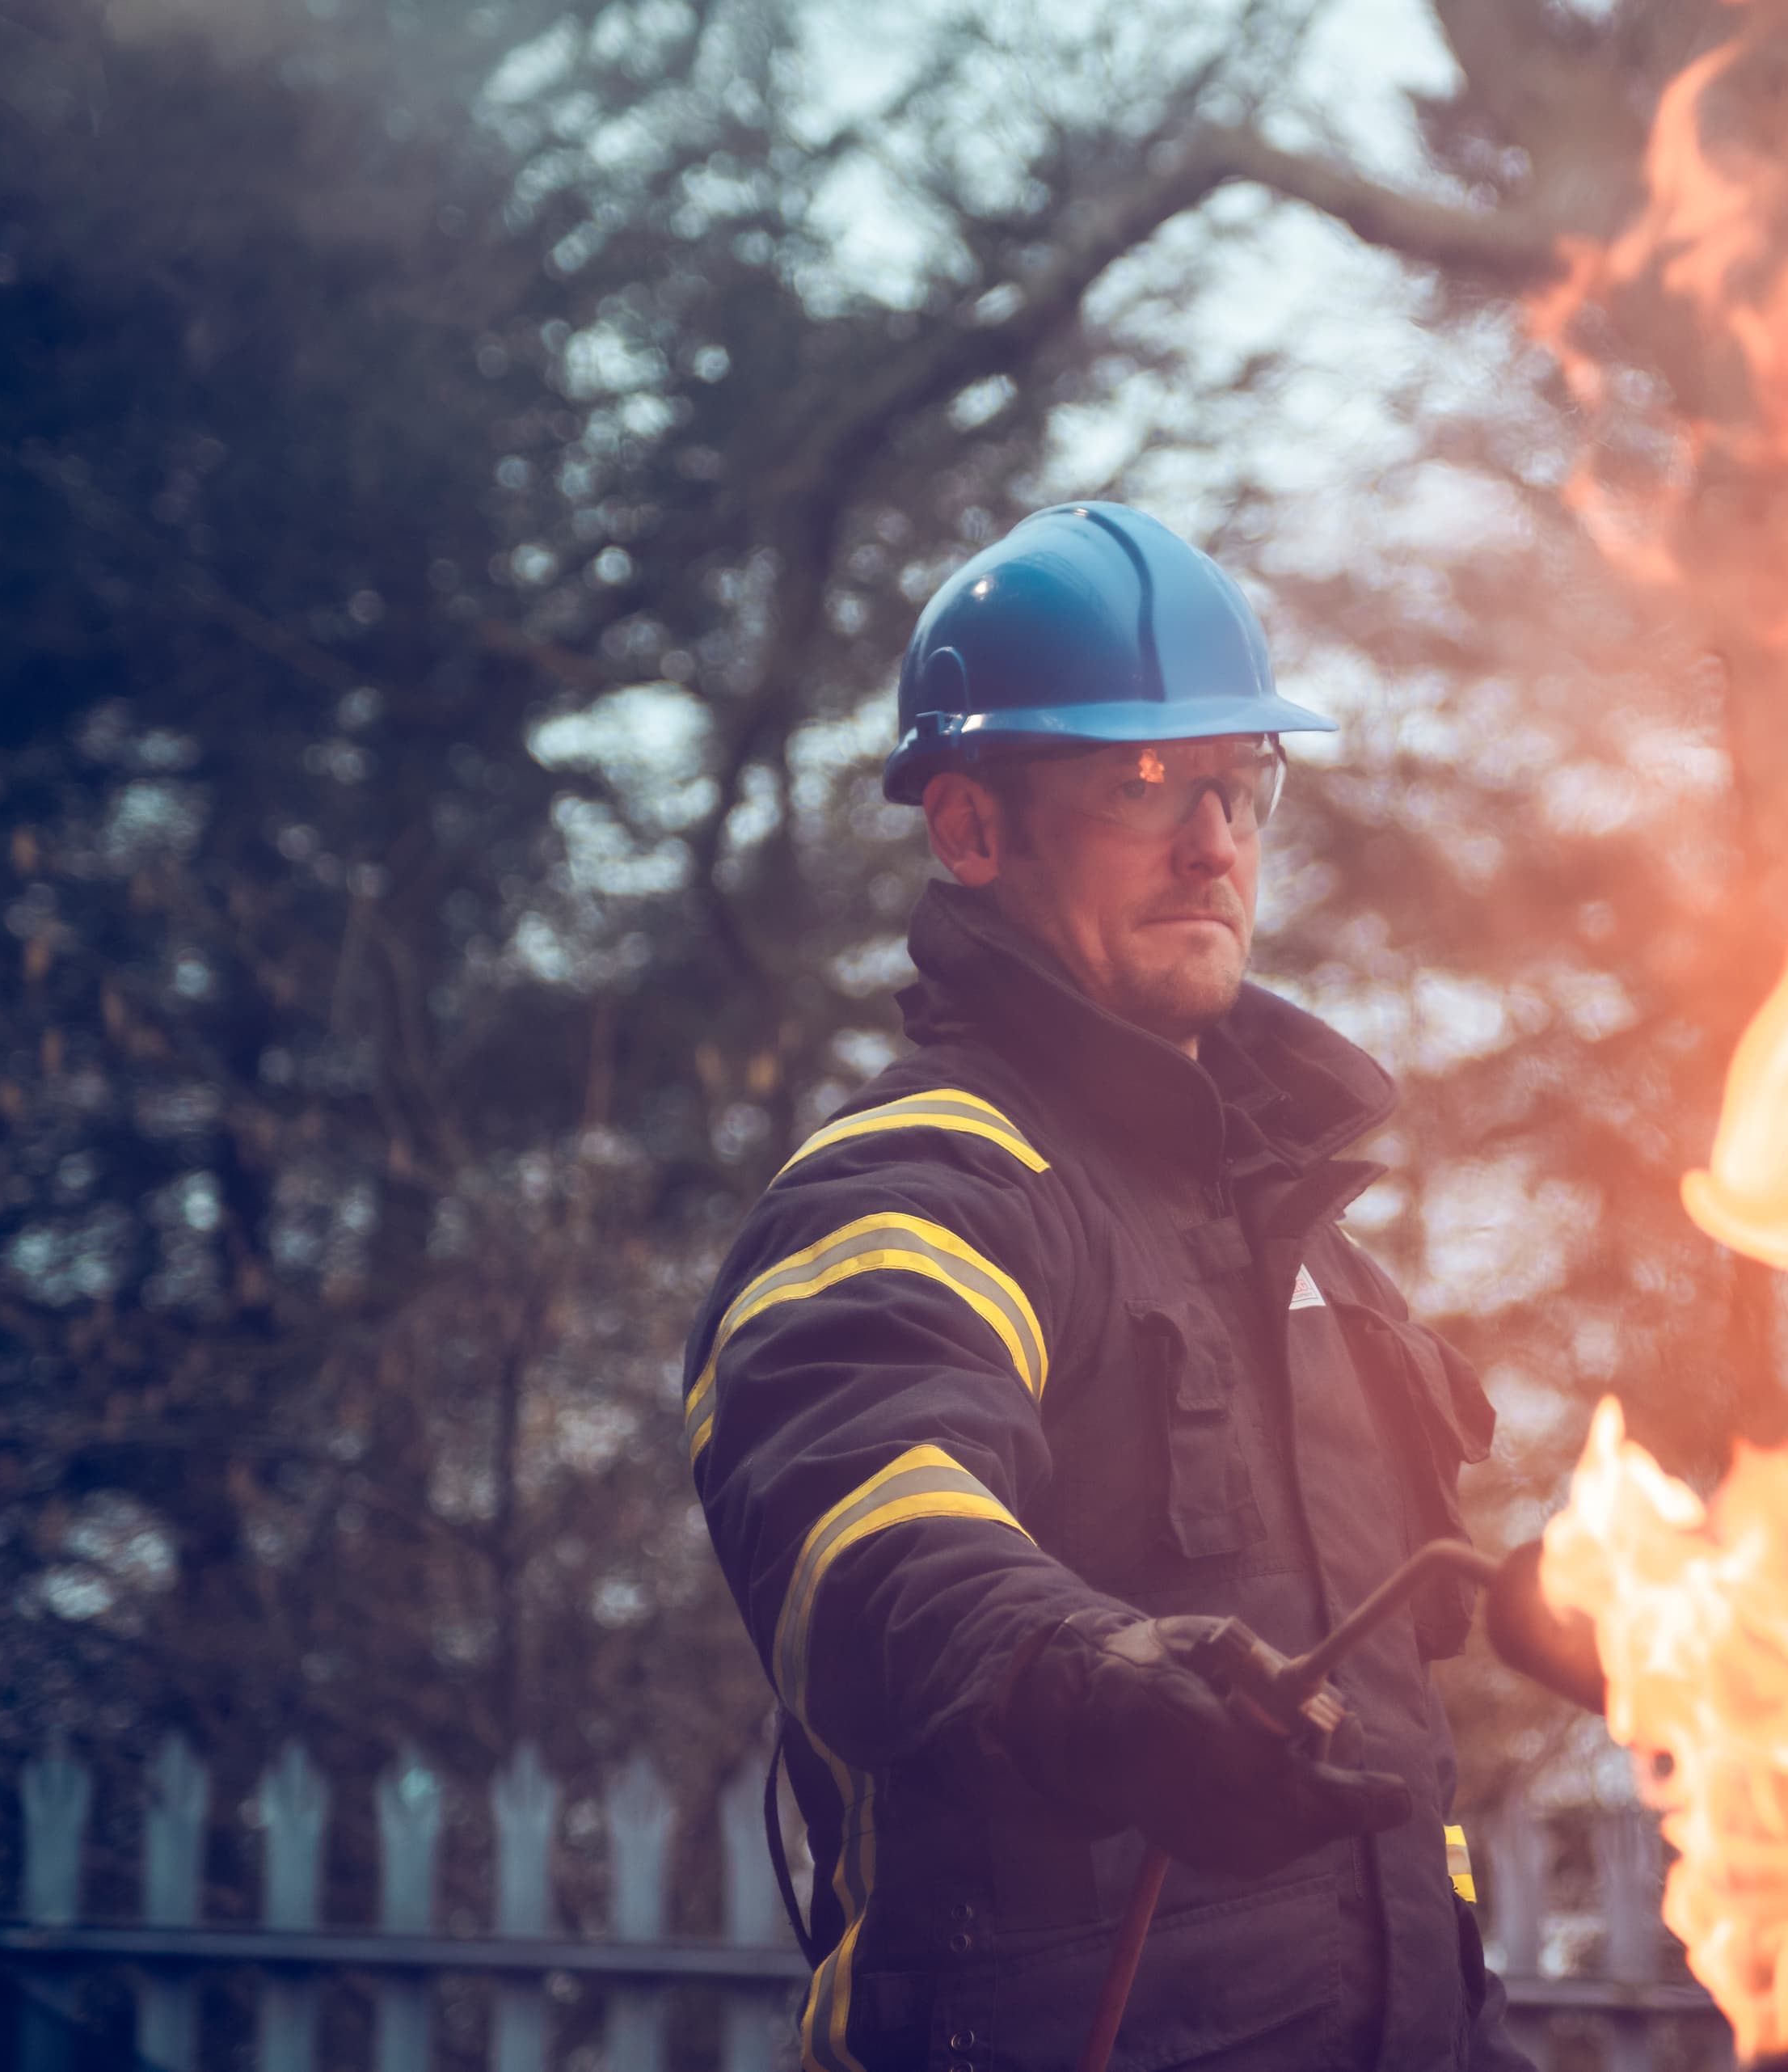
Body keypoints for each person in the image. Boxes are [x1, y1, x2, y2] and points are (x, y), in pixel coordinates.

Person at [684, 502, 1535, 2072]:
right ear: (971, 831)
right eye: (1140, 782)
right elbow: (876, 1544)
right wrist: (1091, 1683)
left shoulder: (1304, 1245)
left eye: (1240, 782)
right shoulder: (919, 1196)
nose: (1211, 839)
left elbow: (1399, 1702)